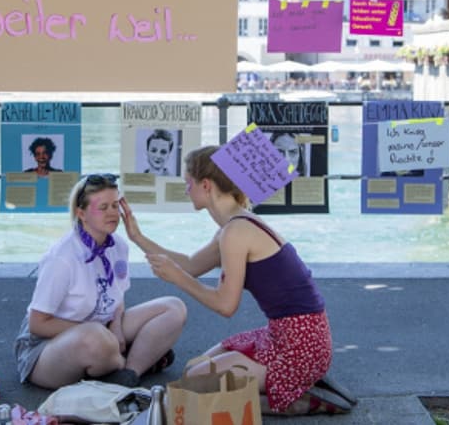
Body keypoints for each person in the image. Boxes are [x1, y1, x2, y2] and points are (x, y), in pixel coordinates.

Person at [119, 146, 345, 415]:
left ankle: (299, 399)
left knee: (195, 385)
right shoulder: (235, 225)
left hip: (300, 347)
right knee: (194, 368)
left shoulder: (235, 232)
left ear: (205, 185)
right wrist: (138, 238)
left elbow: (226, 305)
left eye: (187, 183)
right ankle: (297, 384)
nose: (185, 190)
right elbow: (191, 265)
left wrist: (176, 278)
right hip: (292, 336)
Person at [14, 174, 187, 389]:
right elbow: (37, 324)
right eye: (103, 207)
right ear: (81, 213)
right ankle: (131, 358)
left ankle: (130, 372)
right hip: (46, 347)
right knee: (96, 339)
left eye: (115, 205)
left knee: (173, 308)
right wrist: (102, 332)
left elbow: (117, 298)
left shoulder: (119, 246)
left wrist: (116, 328)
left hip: (102, 328)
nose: (113, 213)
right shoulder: (63, 257)